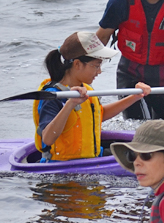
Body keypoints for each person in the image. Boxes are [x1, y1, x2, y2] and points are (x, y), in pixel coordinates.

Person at [35, 31, 151, 162]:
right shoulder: (53, 96)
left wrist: (135, 96)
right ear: (77, 64)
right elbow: (48, 138)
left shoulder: (86, 89)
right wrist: (70, 104)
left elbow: (100, 114)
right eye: (96, 65)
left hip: (92, 158)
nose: (99, 71)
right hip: (62, 165)